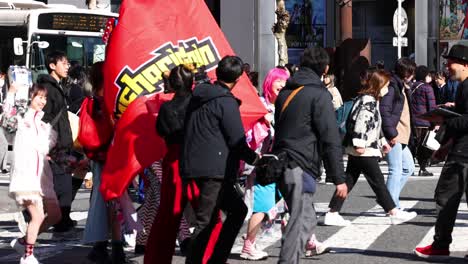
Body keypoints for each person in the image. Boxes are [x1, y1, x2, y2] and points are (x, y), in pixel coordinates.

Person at [272, 47, 348, 264]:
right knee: (301, 220)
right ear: (325, 68)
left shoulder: (286, 92)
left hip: (283, 162)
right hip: (301, 163)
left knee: (305, 218)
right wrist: (339, 178)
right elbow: (330, 137)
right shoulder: (319, 95)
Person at [181, 56, 260, 264]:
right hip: (215, 170)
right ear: (238, 78)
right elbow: (236, 139)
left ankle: (217, 258)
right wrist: (256, 158)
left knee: (235, 210)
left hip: (196, 164)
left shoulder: (198, 95)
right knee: (205, 221)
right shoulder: (225, 102)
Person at [324, 69, 417, 226]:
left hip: (361, 149)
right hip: (363, 150)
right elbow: (362, 122)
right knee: (378, 182)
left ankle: (333, 212)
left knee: (349, 181)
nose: (387, 89)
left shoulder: (367, 99)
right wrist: (360, 143)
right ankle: (393, 212)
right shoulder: (368, 101)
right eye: (386, 85)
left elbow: (374, 126)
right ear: (378, 85)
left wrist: (382, 143)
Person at [414, 43, 468, 259]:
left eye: (451, 62)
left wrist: (445, 118)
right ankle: (440, 244)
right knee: (447, 198)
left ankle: (440, 245)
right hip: (461, 151)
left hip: (463, 155)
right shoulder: (463, 87)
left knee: (444, 197)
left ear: (464, 64)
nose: (447, 66)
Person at [144, 64, 196, 263]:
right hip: (197, 160)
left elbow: (161, 131)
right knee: (207, 215)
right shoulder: (198, 103)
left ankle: (157, 258)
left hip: (173, 162)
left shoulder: (166, 108)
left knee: (167, 215)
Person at [9, 84, 62, 264]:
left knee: (55, 215)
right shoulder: (23, 119)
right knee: (37, 215)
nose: (42, 101)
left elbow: (45, 148)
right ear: (30, 97)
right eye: (39, 96)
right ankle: (27, 255)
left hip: (43, 178)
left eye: (44, 98)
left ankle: (24, 241)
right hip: (27, 176)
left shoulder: (43, 125)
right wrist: (11, 93)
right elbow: (7, 120)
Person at [240, 67, 288, 261]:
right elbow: (250, 135)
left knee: (283, 204)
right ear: (269, 82)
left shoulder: (284, 105)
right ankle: (248, 245)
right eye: (279, 81)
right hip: (263, 164)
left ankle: (305, 242)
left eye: (285, 82)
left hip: (278, 162)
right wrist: (263, 120)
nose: (282, 85)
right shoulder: (259, 105)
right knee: (263, 206)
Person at [37, 51, 74, 232]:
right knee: (63, 185)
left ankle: (62, 219)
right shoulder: (48, 89)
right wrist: (47, 145)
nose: (67, 67)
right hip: (53, 146)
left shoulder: (57, 87)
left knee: (61, 184)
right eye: (64, 63)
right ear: (52, 66)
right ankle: (57, 220)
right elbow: (44, 118)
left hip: (58, 144)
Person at [380, 57, 416, 210]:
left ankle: (387, 198)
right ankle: (391, 205)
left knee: (409, 167)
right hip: (394, 135)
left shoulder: (400, 86)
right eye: (412, 72)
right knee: (396, 170)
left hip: (401, 135)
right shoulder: (392, 86)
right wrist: (390, 134)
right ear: (407, 72)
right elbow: (384, 111)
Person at [409, 66, 437, 176]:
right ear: (426, 75)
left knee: (412, 145)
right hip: (425, 121)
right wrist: (434, 122)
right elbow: (431, 107)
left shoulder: (411, 87)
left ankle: (410, 167)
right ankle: (422, 168)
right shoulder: (427, 88)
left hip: (413, 121)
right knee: (424, 146)